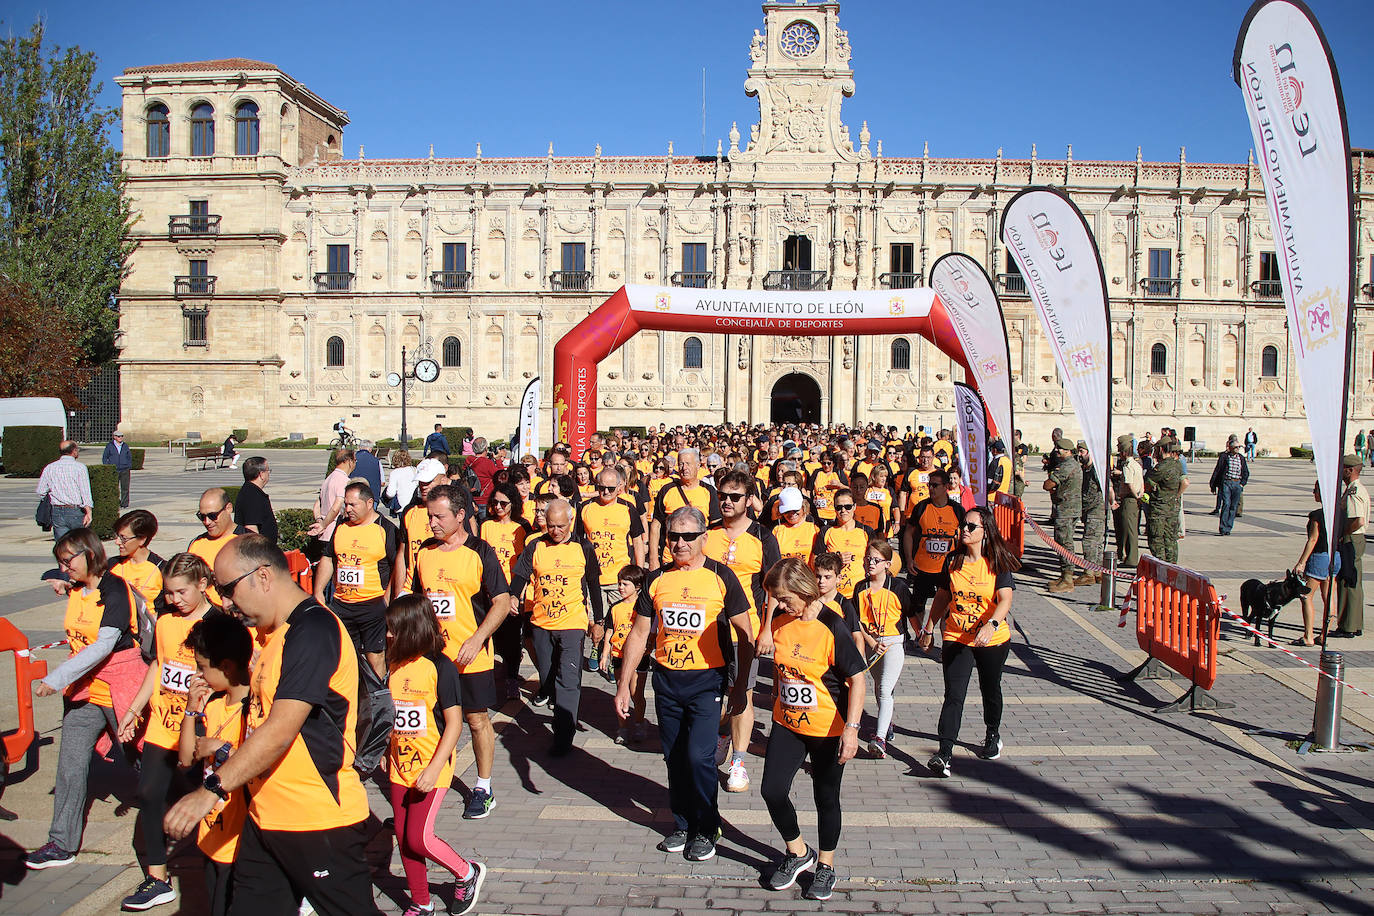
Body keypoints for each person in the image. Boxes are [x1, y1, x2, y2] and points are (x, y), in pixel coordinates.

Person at [165, 535, 380, 916]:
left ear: (263, 576)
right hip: (265, 817)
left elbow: (281, 730)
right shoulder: (273, 636)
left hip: (316, 821)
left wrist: (211, 790)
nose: (226, 603)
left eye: (229, 589)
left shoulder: (313, 630)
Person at [615, 506, 754, 863]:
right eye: (674, 536)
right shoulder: (656, 579)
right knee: (674, 756)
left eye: (688, 536)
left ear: (704, 538)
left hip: (708, 680)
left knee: (699, 757)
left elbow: (745, 634)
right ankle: (682, 824)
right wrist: (623, 685)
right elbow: (639, 633)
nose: (680, 543)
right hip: (667, 680)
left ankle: (707, 827)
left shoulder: (722, 577)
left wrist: (740, 685)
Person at [26, 528, 143, 872]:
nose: (65, 568)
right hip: (85, 693)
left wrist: (56, 678)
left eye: (68, 561)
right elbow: (69, 590)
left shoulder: (115, 590)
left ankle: (181, 818)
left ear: (90, 555)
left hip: (120, 689)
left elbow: (103, 646)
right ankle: (61, 844)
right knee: (70, 766)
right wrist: (60, 581)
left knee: (143, 761)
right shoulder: (77, 588)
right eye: (60, 563)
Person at [758, 558, 865, 901]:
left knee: (825, 797)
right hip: (787, 723)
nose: (780, 605)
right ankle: (798, 852)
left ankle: (826, 865)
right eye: (777, 599)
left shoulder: (832, 625)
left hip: (827, 728)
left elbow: (857, 679)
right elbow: (779, 670)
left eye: (785, 598)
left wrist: (852, 729)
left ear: (803, 590)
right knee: (772, 790)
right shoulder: (780, 622)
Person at [115, 553, 217, 910]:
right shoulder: (165, 622)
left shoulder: (218, 623)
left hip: (201, 727)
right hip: (163, 724)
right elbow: (159, 665)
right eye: (169, 593)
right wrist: (134, 710)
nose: (174, 600)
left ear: (202, 585)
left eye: (181, 592)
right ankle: (158, 879)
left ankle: (222, 870)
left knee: (208, 802)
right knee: (148, 793)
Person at [384, 595, 488, 916]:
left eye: (393, 628)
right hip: (399, 767)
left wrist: (434, 769)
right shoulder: (394, 664)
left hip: (432, 765)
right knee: (404, 838)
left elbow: (454, 724)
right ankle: (421, 902)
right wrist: (384, 751)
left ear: (411, 629)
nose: (388, 634)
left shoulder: (441, 667)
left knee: (419, 837)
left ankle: (466, 872)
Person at [411, 484, 511, 819]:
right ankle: (429, 781)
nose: (432, 523)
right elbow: (418, 604)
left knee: (476, 720)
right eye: (430, 517)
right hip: (432, 658)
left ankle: (483, 787)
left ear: (460, 516)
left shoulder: (480, 552)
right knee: (432, 721)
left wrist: (477, 639)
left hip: (470, 656)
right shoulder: (425, 551)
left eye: (439, 517)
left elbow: (501, 602)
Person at [918, 505, 1020, 778]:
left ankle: (992, 734)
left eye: (971, 526)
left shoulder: (997, 561)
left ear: (985, 531)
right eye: (963, 525)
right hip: (956, 636)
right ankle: (944, 754)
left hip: (992, 639)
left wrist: (992, 624)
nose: (964, 529)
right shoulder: (952, 561)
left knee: (990, 688)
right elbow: (942, 596)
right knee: (954, 694)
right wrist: (929, 627)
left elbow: (1005, 599)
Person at [314, 481, 403, 773]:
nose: (347, 509)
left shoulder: (385, 529)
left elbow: (397, 564)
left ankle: (380, 714)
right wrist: (318, 592)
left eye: (352, 504)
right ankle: (350, 712)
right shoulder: (340, 527)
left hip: (372, 606)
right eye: (346, 504)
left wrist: (390, 600)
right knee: (345, 661)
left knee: (375, 660)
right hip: (342, 605)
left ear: (369, 503)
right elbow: (329, 558)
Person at [704, 469, 781, 794]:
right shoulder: (707, 532)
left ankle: (738, 761)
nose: (727, 501)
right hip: (707, 630)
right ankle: (723, 732)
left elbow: (774, 587)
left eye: (734, 496)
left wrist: (767, 629)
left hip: (744, 631)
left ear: (749, 500)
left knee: (743, 693)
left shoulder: (763, 537)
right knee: (712, 695)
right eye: (722, 495)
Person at [507, 499, 605, 755]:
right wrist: (513, 595)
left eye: (561, 526)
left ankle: (563, 736)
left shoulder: (583, 547)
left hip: (573, 622)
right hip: (542, 622)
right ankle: (551, 696)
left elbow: (594, 584)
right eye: (551, 526)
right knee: (548, 674)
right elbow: (520, 574)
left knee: (568, 679)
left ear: (570, 521)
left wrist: (599, 620)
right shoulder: (536, 546)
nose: (556, 531)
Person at [177, 613, 252, 916]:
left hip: (239, 840)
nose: (198, 675)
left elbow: (259, 762)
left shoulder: (253, 709)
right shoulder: (214, 704)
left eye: (202, 667)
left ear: (226, 667)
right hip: (210, 835)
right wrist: (191, 710)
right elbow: (185, 758)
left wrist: (221, 748)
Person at [853, 538, 914, 759]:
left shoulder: (898, 587)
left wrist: (925, 634)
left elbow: (911, 613)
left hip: (893, 642)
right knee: (880, 686)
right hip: (872, 643)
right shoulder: (860, 587)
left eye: (876, 560)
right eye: (868, 559)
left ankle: (879, 739)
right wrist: (870, 642)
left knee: (885, 689)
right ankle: (886, 725)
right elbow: (856, 620)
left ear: (887, 564)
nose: (870, 563)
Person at [480, 482, 533, 700]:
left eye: (504, 503)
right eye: (495, 502)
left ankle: (512, 678)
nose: (498, 507)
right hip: (489, 589)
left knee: (512, 637)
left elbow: (526, 562)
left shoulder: (522, 527)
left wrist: (517, 592)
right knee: (490, 634)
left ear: (513, 504)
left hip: (512, 590)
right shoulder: (486, 525)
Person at [579, 467, 647, 615]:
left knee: (621, 621)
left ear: (619, 488)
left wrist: (638, 572)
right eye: (601, 488)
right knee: (596, 624)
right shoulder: (585, 508)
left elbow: (637, 541)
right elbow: (577, 543)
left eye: (610, 488)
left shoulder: (628, 508)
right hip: (593, 579)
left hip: (620, 579)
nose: (606, 492)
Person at [599, 564, 649, 744]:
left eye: (625, 584)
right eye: (619, 583)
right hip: (618, 655)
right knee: (621, 689)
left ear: (638, 586)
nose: (620, 587)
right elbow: (609, 632)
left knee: (636, 693)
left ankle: (639, 722)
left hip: (639, 657)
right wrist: (605, 654)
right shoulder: (615, 608)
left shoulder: (643, 607)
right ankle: (623, 727)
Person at [649, 448, 721, 566]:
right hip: (671, 559)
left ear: (698, 465)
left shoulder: (708, 491)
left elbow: (716, 528)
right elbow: (656, 525)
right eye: (681, 464)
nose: (684, 468)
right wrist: (653, 560)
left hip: (700, 560)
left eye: (688, 464)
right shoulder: (667, 490)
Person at [1292, 481, 1341, 647]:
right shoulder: (1341, 513)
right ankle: (1324, 634)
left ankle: (1308, 636)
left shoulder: (1317, 515)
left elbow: (1313, 539)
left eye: (1315, 491)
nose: (1314, 493)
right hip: (1335, 556)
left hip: (1319, 557)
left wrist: (1301, 562)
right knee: (1329, 596)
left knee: (1306, 595)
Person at [190, 488, 246, 606]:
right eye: (202, 516)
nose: (207, 522)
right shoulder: (196, 544)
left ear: (228, 508)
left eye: (212, 515)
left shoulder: (248, 541)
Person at [1333, 453, 1368, 638]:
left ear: (1350, 470)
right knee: (1353, 580)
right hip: (1354, 539)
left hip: (1351, 539)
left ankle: (1348, 626)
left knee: (1348, 581)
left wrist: (1343, 535)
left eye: (1343, 469)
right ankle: (1355, 623)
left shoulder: (1354, 491)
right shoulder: (1355, 489)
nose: (1341, 472)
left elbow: (1357, 520)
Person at [814, 489, 872, 600]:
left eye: (848, 507)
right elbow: (815, 561)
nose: (843, 510)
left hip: (859, 593)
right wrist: (836, 559)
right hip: (832, 594)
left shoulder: (866, 531)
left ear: (854, 507)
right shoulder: (827, 531)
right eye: (839, 507)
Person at [1044, 437, 1082, 592]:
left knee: (1064, 543)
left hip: (1066, 510)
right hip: (1068, 508)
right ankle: (1064, 575)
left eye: (1059, 449)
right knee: (1063, 542)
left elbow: (1048, 484)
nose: (1057, 451)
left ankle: (1067, 579)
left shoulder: (1067, 466)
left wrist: (1050, 483)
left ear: (1067, 451)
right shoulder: (1070, 464)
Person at [37, 440, 93, 542]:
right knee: (78, 544)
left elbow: (41, 491)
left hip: (57, 511)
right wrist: (89, 512)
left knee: (62, 545)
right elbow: (85, 492)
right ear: (74, 451)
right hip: (75, 510)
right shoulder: (79, 467)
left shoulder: (50, 467)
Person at [308, 448, 356, 561]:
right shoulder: (343, 480)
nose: (355, 464)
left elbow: (317, 504)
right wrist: (324, 524)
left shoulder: (329, 478)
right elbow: (336, 507)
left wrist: (319, 520)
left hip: (323, 533)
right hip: (334, 531)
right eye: (355, 460)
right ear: (349, 461)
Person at [1145, 438, 1186, 564]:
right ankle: (1172, 567)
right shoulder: (1177, 464)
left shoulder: (1161, 467)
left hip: (1159, 509)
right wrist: (1176, 496)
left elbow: (1147, 484)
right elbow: (1185, 482)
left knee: (1156, 539)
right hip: (1172, 508)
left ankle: (1161, 566)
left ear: (1161, 449)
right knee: (1171, 539)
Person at [1111, 434, 1143, 569]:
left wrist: (1135, 495)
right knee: (1130, 529)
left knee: (1128, 530)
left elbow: (1129, 484)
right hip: (1134, 499)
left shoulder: (1128, 465)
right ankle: (1129, 556)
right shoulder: (1135, 464)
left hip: (1129, 499)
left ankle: (1131, 559)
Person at [1209, 435, 1250, 537]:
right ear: (1231, 448)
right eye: (1236, 447)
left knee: (1233, 506)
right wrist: (1213, 484)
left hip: (1237, 483)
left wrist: (1242, 484)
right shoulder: (1224, 457)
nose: (1237, 449)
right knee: (1226, 504)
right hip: (1226, 482)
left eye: (1238, 447)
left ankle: (1228, 527)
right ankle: (1223, 528)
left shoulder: (1241, 458)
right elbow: (1218, 470)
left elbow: (1246, 472)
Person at [1076, 441, 1105, 584]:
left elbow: (1108, 488)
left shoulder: (1096, 470)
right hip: (1089, 509)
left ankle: (1089, 573)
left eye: (1082, 451)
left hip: (1096, 510)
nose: (1079, 455)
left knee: (1090, 541)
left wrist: (1112, 502)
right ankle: (1098, 571)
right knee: (1096, 541)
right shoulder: (1086, 469)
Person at [233, 457, 278, 545]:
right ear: (261, 474)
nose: (269, 473)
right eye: (268, 470)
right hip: (259, 550)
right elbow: (251, 529)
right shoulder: (252, 495)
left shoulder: (251, 491)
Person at [468, 437, 499, 516]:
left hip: (471, 499)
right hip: (484, 500)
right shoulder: (487, 463)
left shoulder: (468, 461)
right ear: (485, 448)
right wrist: (498, 460)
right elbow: (500, 476)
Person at [102, 429, 134, 508]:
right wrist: (107, 466)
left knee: (125, 488)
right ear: (114, 437)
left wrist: (128, 466)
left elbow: (129, 457)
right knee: (113, 487)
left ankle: (124, 504)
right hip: (114, 469)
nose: (120, 438)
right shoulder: (109, 446)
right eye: (119, 436)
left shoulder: (125, 446)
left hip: (124, 469)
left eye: (122, 436)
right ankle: (115, 502)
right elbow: (105, 457)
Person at [384, 449, 418, 516]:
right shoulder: (414, 470)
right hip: (415, 504)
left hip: (402, 505)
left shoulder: (395, 473)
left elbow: (390, 493)